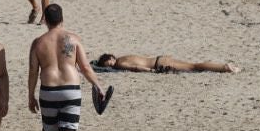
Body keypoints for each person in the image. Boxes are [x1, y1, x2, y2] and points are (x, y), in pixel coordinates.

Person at [27, 3, 104, 131]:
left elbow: (32, 71)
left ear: (45, 19)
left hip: (48, 90)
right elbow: (85, 67)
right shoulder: (73, 39)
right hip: (71, 90)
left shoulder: (38, 42)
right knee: (69, 129)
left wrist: (30, 95)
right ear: (62, 18)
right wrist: (97, 85)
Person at [95, 53, 238, 74]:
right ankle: (224, 66)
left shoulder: (120, 64)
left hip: (158, 65)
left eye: (107, 63)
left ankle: (224, 67)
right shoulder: (124, 56)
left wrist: (150, 71)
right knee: (194, 65)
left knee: (195, 67)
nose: (109, 65)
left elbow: (136, 67)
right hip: (160, 58)